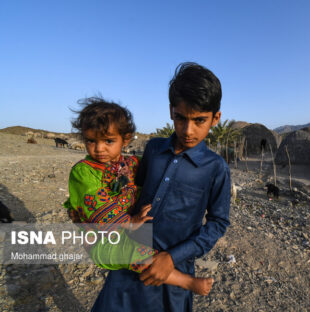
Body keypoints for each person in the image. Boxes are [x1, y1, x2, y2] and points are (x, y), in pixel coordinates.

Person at [91, 62, 231, 311]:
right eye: (181, 118)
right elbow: (135, 191)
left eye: (200, 120)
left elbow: (218, 223)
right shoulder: (154, 149)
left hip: (172, 271)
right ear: (171, 111)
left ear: (216, 118)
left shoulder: (216, 168)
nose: (188, 130)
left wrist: (172, 257)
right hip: (129, 259)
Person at [63, 98, 214, 296]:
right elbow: (98, 207)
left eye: (108, 141)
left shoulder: (133, 163)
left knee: (154, 253)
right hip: (102, 240)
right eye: (91, 141)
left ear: (125, 139)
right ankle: (186, 282)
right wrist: (130, 222)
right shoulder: (84, 171)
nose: (99, 149)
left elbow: (158, 173)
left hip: (129, 233)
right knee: (140, 255)